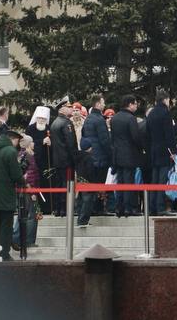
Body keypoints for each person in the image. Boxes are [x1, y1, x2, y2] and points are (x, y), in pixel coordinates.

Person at [0, 129, 25, 261]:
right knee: (6, 225)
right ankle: (4, 253)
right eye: (17, 141)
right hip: (5, 193)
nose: (17, 144)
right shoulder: (10, 151)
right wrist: (23, 181)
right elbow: (15, 174)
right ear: (13, 139)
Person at [77, 94, 111, 227]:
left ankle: (92, 211)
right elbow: (104, 140)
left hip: (89, 158)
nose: (104, 105)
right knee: (95, 188)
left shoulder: (89, 119)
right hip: (100, 158)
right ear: (97, 104)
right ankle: (90, 214)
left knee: (89, 189)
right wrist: (110, 155)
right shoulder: (99, 119)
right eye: (103, 103)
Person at [145, 89, 177, 216]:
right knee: (162, 179)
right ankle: (160, 207)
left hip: (153, 150)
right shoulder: (165, 113)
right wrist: (173, 150)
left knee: (155, 179)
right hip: (164, 150)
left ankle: (152, 206)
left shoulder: (151, 113)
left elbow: (147, 133)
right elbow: (169, 134)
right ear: (165, 99)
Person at [110, 96, 142, 217]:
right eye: (135, 104)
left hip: (117, 155)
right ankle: (129, 208)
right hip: (129, 155)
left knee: (120, 181)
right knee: (129, 181)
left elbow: (112, 138)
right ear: (129, 104)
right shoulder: (131, 118)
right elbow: (135, 137)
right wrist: (141, 148)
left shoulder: (115, 118)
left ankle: (119, 207)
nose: (136, 106)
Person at [49, 100, 78, 215]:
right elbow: (70, 143)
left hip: (57, 160)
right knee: (67, 184)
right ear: (61, 109)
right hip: (67, 160)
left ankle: (59, 208)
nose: (71, 109)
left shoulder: (55, 122)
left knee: (60, 184)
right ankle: (65, 208)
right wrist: (75, 158)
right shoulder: (66, 123)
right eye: (68, 107)